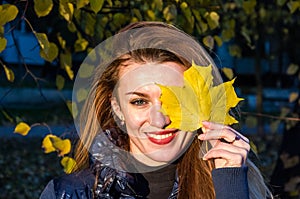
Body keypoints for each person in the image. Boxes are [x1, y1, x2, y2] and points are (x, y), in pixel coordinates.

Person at [40, 21, 273, 199]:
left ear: (202, 103)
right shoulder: (71, 193)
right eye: (140, 101)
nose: (159, 120)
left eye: (175, 101)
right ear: (117, 108)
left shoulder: (236, 184)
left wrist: (231, 187)